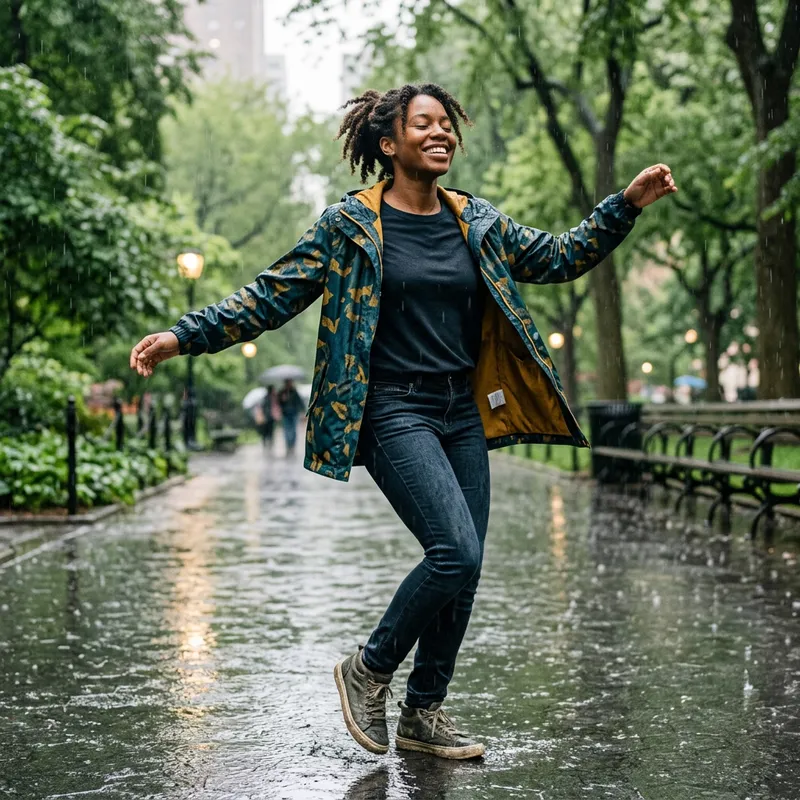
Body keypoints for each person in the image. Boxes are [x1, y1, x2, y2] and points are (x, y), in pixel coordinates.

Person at [129, 83, 677, 760]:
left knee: (464, 569)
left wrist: (623, 206)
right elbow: (272, 295)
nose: (441, 133)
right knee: (456, 550)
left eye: (447, 124)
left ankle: (424, 714)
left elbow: (558, 257)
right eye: (425, 124)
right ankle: (369, 667)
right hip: (392, 408)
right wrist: (184, 334)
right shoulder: (351, 226)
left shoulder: (476, 221)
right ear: (389, 144)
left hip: (460, 411)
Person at [277, 379, 304, 452]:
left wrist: (302, 411)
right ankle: (288, 445)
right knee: (286, 430)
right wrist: (282, 399)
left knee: (293, 430)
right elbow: (277, 403)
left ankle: (292, 445)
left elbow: (299, 402)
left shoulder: (294, 392)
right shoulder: (281, 392)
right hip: (285, 413)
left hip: (294, 413)